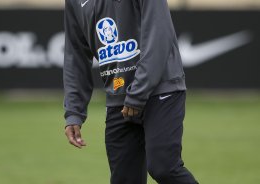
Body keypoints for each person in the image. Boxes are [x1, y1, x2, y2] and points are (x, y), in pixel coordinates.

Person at [63, 0, 199, 183]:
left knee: (164, 167)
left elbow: (159, 35)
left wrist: (138, 93)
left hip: (160, 89)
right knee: (124, 180)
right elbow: (75, 54)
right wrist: (73, 112)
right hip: (118, 99)